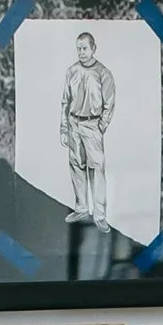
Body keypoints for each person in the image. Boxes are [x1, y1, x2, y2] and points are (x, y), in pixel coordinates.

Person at [61, 32, 116, 223]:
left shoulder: (103, 73)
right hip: (74, 124)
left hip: (93, 125)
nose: (81, 52)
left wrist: (101, 125)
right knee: (76, 166)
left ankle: (100, 216)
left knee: (97, 170)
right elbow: (65, 101)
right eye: (78, 48)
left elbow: (109, 103)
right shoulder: (71, 71)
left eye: (85, 48)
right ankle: (81, 208)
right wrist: (64, 128)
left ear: (93, 48)